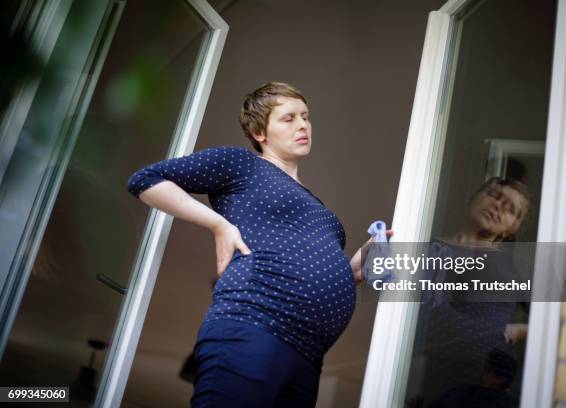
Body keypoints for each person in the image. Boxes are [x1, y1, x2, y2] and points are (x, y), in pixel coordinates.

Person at [127, 82, 384, 407]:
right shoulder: (240, 164)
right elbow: (144, 180)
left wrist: (354, 269)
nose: (303, 125)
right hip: (253, 327)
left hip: (309, 358)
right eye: (288, 118)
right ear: (260, 132)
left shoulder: (323, 212)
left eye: (305, 117)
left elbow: (330, 273)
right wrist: (217, 223)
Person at [406, 177, 531, 407]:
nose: (498, 206)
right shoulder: (427, 251)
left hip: (490, 390)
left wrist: (520, 330)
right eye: (493, 195)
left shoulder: (519, 267)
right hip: (428, 379)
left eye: (510, 209)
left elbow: (556, 326)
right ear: (473, 199)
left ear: (514, 227)